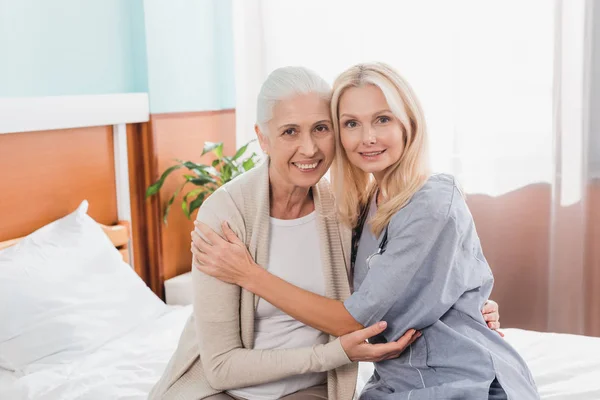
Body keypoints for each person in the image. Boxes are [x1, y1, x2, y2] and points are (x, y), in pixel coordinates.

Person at [193, 63, 532, 399]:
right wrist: (466, 299)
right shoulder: (357, 206)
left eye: (382, 119)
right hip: (394, 382)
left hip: (459, 380)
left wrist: (250, 275)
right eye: (352, 123)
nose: (367, 137)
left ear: (408, 124)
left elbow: (352, 319)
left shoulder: (426, 202)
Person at [149, 66, 423, 400]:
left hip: (309, 388)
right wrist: (333, 355)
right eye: (290, 131)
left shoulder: (345, 207)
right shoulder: (226, 213)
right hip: (220, 391)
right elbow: (220, 367)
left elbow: (393, 281)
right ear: (262, 137)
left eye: (321, 128)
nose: (309, 149)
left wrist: (466, 303)